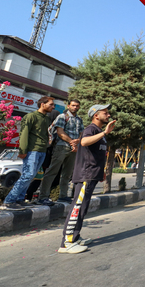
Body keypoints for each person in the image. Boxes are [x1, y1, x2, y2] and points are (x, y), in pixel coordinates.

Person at [59, 104, 116, 254]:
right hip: (86, 174)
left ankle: (75, 237)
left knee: (82, 208)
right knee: (77, 207)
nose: (108, 115)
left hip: (92, 175)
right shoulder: (91, 129)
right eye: (105, 112)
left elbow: (97, 154)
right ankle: (67, 242)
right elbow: (84, 142)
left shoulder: (97, 132)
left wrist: (101, 171)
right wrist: (105, 132)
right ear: (96, 115)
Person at [1, 96, 55, 211]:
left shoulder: (46, 119)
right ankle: (9, 201)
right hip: (32, 150)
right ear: (42, 104)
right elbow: (24, 133)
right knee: (27, 175)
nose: (53, 107)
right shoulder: (31, 116)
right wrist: (23, 150)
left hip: (42, 151)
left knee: (31, 176)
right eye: (51, 104)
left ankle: (20, 199)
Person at [38, 99, 84, 205]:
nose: (75, 107)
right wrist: (72, 142)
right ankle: (43, 196)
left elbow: (82, 132)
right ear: (68, 106)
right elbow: (60, 132)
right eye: (73, 105)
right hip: (62, 147)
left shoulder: (79, 119)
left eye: (77, 106)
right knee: (52, 172)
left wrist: (78, 141)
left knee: (67, 174)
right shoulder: (62, 117)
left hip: (74, 149)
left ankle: (63, 196)